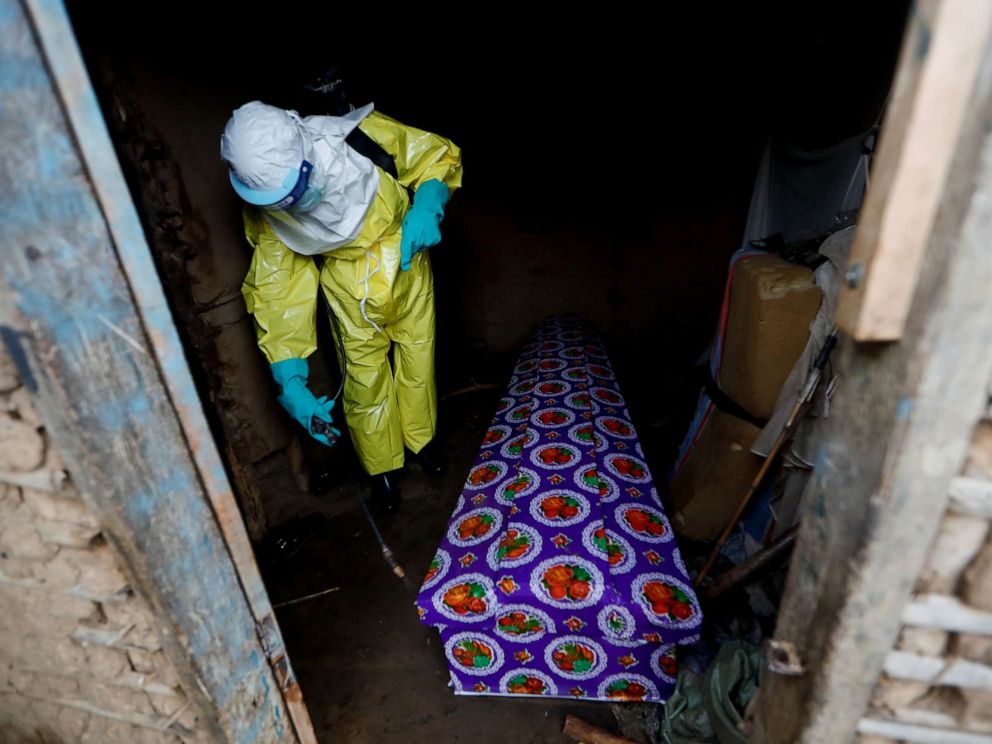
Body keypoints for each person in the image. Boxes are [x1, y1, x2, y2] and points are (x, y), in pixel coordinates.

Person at [220, 100, 462, 512]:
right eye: (281, 199)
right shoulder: (269, 214)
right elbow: (277, 286)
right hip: (350, 291)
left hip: (407, 261)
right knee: (365, 384)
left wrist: (428, 202)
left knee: (418, 365)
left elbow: (434, 155)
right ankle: (382, 469)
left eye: (294, 189)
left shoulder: (359, 134)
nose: (293, 203)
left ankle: (423, 443)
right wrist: (289, 375)